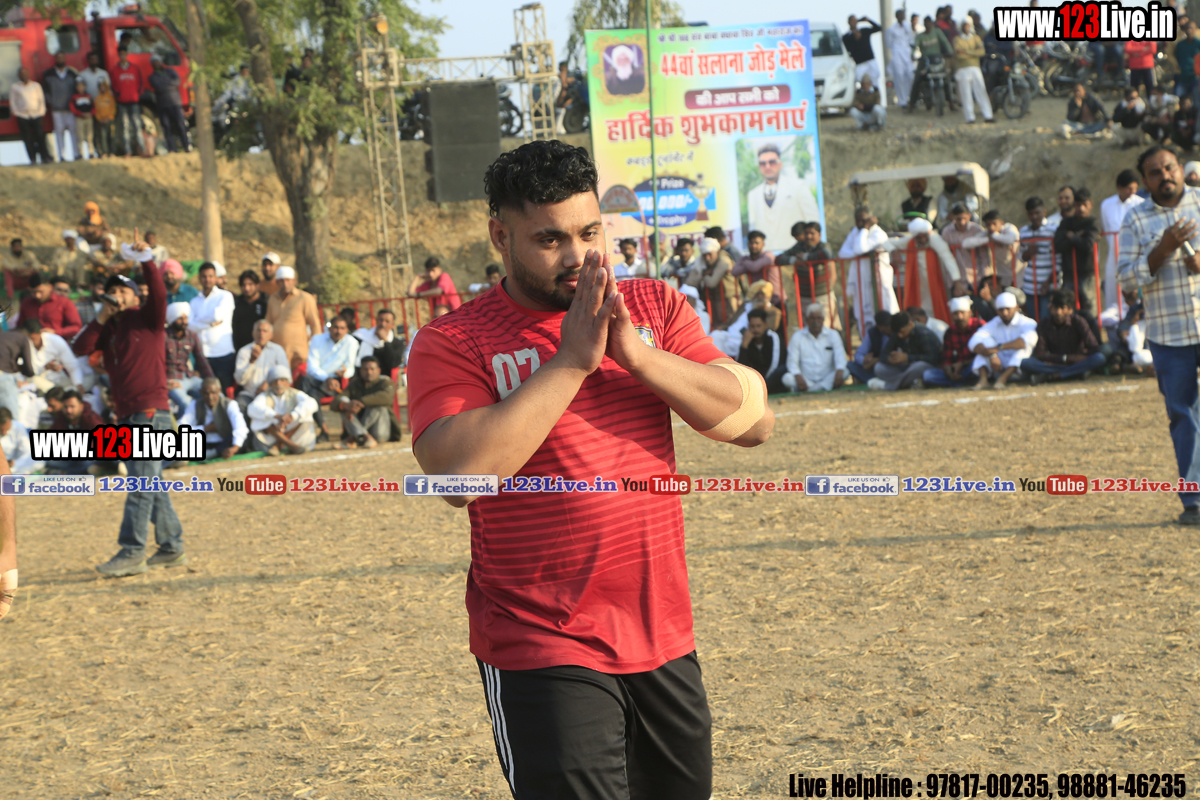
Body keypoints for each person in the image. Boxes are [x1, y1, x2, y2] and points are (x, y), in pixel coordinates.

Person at [407, 140, 772, 799]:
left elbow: (752, 422)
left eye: (588, 232)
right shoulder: (456, 340)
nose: (577, 256)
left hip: (663, 634)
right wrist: (572, 362)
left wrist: (639, 357)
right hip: (541, 643)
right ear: (501, 236)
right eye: (549, 239)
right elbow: (456, 476)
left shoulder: (653, 307)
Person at [72, 231, 186, 576]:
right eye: (113, 290)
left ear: (136, 296)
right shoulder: (109, 328)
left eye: (123, 290)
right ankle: (172, 547)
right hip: (128, 414)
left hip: (150, 412)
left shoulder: (147, 318)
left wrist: (146, 259)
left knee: (141, 483)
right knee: (149, 481)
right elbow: (80, 348)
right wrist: (101, 317)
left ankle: (133, 550)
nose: (116, 295)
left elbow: (160, 293)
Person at [1117, 144, 1200, 522]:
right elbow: (1125, 279)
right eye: (1155, 172)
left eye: (1169, 168)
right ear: (1145, 181)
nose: (1164, 176)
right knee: (1184, 416)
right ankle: (1194, 501)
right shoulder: (1135, 219)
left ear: (1181, 168)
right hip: (1169, 334)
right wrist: (1162, 250)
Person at [883, 217, 961, 324]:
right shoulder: (910, 241)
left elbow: (948, 259)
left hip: (937, 284)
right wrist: (894, 251)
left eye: (925, 236)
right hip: (919, 285)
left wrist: (957, 282)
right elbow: (885, 242)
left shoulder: (935, 239)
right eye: (919, 238)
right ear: (914, 236)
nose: (923, 240)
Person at [745, 143, 820, 251]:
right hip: (766, 254)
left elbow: (813, 221)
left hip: (797, 252)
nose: (767, 166)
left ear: (780, 164)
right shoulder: (753, 194)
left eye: (772, 162)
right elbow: (753, 229)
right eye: (763, 163)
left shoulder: (798, 186)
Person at [1021, 289, 1106, 384]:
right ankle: (1074, 373)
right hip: (1055, 364)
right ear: (1050, 308)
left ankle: (1054, 376)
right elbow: (1040, 354)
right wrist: (1064, 358)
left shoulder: (1078, 321)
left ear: (1069, 309)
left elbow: (1094, 347)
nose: (1058, 312)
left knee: (1099, 358)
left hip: (1076, 362)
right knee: (1025, 363)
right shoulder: (1044, 324)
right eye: (1055, 308)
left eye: (1062, 308)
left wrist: (1081, 357)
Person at [841, 205, 899, 339]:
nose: (860, 224)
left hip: (878, 282)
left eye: (864, 220)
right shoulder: (855, 232)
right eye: (858, 221)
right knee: (864, 316)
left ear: (871, 219)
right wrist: (857, 254)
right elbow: (843, 252)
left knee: (886, 312)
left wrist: (866, 228)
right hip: (861, 283)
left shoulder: (878, 233)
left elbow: (859, 248)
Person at [300, 315, 358, 441]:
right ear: (329, 328)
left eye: (342, 328)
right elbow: (311, 368)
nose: (339, 331)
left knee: (310, 394)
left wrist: (344, 373)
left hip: (337, 382)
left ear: (347, 330)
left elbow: (350, 368)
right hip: (319, 379)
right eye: (336, 327)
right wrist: (326, 378)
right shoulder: (317, 339)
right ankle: (320, 427)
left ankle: (320, 428)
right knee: (306, 382)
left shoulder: (351, 342)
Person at [968, 290, 1038, 389]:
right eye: (1001, 310)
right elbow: (975, 340)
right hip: (998, 366)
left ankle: (1002, 379)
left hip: (1020, 369)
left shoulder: (1027, 322)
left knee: (1023, 350)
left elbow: (1026, 341)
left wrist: (999, 348)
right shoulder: (995, 323)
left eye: (1008, 309)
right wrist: (991, 354)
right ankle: (983, 381)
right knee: (984, 345)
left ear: (1016, 307)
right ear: (997, 310)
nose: (1005, 313)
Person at [1100, 170, 1147, 311]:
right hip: (1113, 257)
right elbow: (1107, 230)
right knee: (1113, 293)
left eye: (1135, 188)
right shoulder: (1106, 205)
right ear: (1119, 187)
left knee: (1134, 294)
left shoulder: (1141, 204)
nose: (1133, 192)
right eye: (1129, 188)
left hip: (1135, 257)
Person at [247, 365, 318, 455]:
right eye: (275, 381)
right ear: (270, 383)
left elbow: (312, 403)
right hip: (272, 434)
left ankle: (278, 445)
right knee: (259, 418)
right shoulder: (265, 395)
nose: (278, 383)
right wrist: (277, 417)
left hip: (291, 429)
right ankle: (290, 445)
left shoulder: (295, 393)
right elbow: (252, 408)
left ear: (288, 382)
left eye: (282, 380)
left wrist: (292, 416)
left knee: (305, 415)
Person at [1054, 187, 1101, 319]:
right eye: (1078, 205)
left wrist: (1072, 237)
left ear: (1091, 205)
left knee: (1089, 308)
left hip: (1087, 273)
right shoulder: (1066, 222)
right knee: (1067, 306)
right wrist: (1078, 237)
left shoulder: (1093, 222)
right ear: (1074, 205)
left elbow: (1088, 245)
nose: (1081, 208)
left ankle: (1091, 331)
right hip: (1069, 272)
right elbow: (1058, 245)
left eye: (1084, 204)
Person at [188, 262, 236, 390]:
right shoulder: (194, 301)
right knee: (204, 392)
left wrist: (198, 320)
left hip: (223, 354)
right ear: (199, 278)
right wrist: (210, 324)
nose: (207, 279)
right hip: (202, 355)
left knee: (224, 392)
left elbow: (216, 316)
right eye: (204, 276)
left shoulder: (225, 296)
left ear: (216, 278)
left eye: (210, 276)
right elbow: (190, 327)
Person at [331, 356, 397, 448]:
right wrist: (346, 405)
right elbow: (335, 402)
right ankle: (364, 435)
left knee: (377, 403)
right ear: (360, 371)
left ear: (378, 370)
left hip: (380, 432)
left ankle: (354, 437)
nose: (369, 372)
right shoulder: (355, 384)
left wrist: (360, 403)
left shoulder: (385, 382)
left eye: (372, 369)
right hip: (362, 428)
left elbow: (386, 397)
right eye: (365, 369)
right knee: (344, 402)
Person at [869, 310, 943, 390]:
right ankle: (911, 382)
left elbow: (933, 358)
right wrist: (890, 359)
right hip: (908, 367)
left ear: (910, 324)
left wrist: (907, 358)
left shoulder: (923, 333)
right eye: (898, 333)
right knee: (879, 367)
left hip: (924, 367)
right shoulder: (897, 333)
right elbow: (883, 354)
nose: (900, 336)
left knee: (919, 366)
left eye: (902, 332)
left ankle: (888, 386)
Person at [265, 266, 322, 370]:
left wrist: (316, 349)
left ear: (294, 281)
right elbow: (268, 324)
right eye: (282, 281)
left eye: (288, 280)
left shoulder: (305, 298)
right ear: (277, 282)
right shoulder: (272, 299)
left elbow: (315, 325)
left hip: (298, 352)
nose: (285, 284)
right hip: (277, 351)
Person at [783, 303, 846, 392]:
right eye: (812, 318)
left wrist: (839, 371)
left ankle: (814, 389)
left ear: (823, 319)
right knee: (787, 378)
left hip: (827, 378)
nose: (816, 321)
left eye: (819, 318)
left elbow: (840, 357)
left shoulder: (833, 335)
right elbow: (792, 362)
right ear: (807, 319)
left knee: (845, 371)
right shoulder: (797, 336)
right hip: (806, 380)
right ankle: (822, 388)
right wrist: (798, 376)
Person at [179, 377, 247, 460]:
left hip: (224, 444)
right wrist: (205, 428)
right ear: (200, 392)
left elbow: (240, 428)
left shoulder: (229, 404)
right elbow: (181, 427)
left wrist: (235, 448)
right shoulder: (195, 404)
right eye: (206, 393)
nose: (210, 397)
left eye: (213, 392)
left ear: (219, 391)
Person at [164, 301, 213, 416]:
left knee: (215, 394)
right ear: (172, 319)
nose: (184, 322)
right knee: (187, 403)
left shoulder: (191, 336)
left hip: (189, 377)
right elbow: (156, 363)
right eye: (180, 319)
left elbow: (202, 360)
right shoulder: (163, 336)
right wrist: (164, 382)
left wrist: (212, 381)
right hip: (172, 379)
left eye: (186, 318)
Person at [923, 296, 984, 386]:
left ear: (969, 313)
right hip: (958, 369)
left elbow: (985, 353)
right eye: (956, 314)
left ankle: (960, 382)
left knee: (979, 364)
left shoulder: (979, 325)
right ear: (951, 315)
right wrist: (948, 370)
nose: (959, 317)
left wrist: (962, 364)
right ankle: (961, 381)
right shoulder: (950, 331)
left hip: (974, 365)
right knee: (928, 375)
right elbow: (946, 357)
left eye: (962, 313)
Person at [233, 319, 288, 415]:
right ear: (253, 333)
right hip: (250, 395)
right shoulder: (244, 351)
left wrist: (268, 383)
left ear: (271, 335)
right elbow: (240, 380)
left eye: (265, 331)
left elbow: (285, 374)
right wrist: (252, 361)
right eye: (258, 330)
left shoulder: (278, 350)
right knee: (238, 407)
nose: (261, 333)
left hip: (273, 394)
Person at [44, 390, 103, 475]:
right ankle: (84, 471)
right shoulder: (61, 418)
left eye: (72, 406)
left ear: (81, 406)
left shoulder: (91, 418)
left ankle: (67, 472)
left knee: (87, 461)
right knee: (48, 461)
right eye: (66, 407)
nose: (69, 410)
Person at [1018, 197, 1059, 319]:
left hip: (1049, 284)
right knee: (1032, 320)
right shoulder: (1023, 232)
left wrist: (1048, 282)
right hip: (1030, 285)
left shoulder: (1054, 230)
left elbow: (1059, 260)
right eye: (1031, 214)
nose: (1034, 216)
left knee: (1046, 319)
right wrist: (1028, 253)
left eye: (1037, 213)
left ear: (1044, 212)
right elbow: (1021, 257)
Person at [687, 238, 738, 328]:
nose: (707, 258)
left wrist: (704, 275)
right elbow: (689, 282)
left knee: (730, 325)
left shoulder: (724, 260)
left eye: (710, 254)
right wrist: (703, 273)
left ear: (717, 252)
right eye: (704, 255)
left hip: (729, 300)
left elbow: (711, 283)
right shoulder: (701, 262)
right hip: (713, 301)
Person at [963, 209, 1021, 288]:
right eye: (988, 224)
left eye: (994, 223)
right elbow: (966, 244)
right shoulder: (987, 234)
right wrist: (988, 239)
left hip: (1019, 273)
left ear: (1001, 223)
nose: (991, 227)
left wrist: (995, 236)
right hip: (1003, 276)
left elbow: (1011, 239)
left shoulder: (1009, 228)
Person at [21, 318, 81, 392]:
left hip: (60, 379)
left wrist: (78, 384)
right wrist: (45, 367)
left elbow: (72, 365)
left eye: (33, 338)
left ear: (40, 333)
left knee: (74, 389)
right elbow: (28, 373)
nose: (31, 341)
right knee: (33, 380)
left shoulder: (55, 340)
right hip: (40, 384)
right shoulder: (24, 345)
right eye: (29, 338)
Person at [953, 19, 994, 124]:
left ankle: (988, 116)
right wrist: (973, 53)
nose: (966, 27)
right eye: (964, 25)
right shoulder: (957, 39)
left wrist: (966, 52)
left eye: (967, 25)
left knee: (981, 91)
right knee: (966, 94)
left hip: (975, 67)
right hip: (962, 69)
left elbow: (981, 52)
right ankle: (970, 118)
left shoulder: (976, 38)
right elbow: (959, 55)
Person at [938, 203, 989, 286]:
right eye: (958, 219)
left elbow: (984, 256)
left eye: (964, 218)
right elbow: (945, 257)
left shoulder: (977, 230)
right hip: (957, 280)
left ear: (969, 216)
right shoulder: (946, 232)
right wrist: (953, 281)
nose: (962, 222)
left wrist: (985, 279)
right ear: (953, 217)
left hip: (977, 278)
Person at [18, 273, 82, 339]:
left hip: (57, 342)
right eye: (33, 292)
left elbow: (76, 327)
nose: (37, 295)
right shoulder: (26, 303)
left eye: (41, 292)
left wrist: (55, 332)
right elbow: (20, 327)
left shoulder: (64, 302)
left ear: (50, 287)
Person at [737, 307, 786, 392]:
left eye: (758, 326)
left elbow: (775, 364)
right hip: (756, 381)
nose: (756, 329)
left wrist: (763, 383)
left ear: (765, 325)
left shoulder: (773, 337)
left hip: (771, 378)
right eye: (752, 326)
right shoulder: (747, 340)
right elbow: (740, 367)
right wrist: (744, 346)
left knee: (782, 369)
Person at [147, 55, 189, 153]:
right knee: (167, 127)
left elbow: (177, 81)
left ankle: (187, 147)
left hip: (175, 103)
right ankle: (171, 149)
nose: (156, 63)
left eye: (157, 61)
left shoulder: (170, 71)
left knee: (181, 125)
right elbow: (158, 87)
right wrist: (170, 84)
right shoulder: (152, 77)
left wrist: (164, 84)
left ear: (160, 61)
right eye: (154, 62)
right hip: (162, 105)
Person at [42, 52, 78, 162]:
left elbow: (77, 88)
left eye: (62, 57)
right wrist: (52, 102)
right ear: (55, 59)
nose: (60, 59)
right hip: (57, 109)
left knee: (74, 132)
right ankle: (62, 156)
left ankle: (76, 154)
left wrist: (75, 103)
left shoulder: (72, 73)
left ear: (65, 58)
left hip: (70, 108)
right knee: (59, 132)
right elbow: (45, 91)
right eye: (58, 58)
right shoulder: (48, 74)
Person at [10, 67, 48, 165]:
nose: (24, 75)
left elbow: (41, 99)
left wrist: (41, 112)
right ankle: (33, 159)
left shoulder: (36, 85)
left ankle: (45, 157)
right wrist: (17, 113)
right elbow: (13, 101)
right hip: (23, 116)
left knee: (40, 136)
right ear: (19, 76)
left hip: (36, 114)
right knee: (27, 138)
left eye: (25, 73)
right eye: (22, 74)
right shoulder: (15, 87)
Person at [111, 46, 144, 156]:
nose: (122, 56)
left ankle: (142, 149)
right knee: (124, 126)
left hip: (134, 101)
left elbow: (141, 83)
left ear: (127, 54)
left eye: (124, 54)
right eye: (120, 54)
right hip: (121, 103)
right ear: (118, 55)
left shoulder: (135, 68)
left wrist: (137, 94)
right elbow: (113, 85)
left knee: (137, 124)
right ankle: (128, 151)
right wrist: (118, 94)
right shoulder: (115, 70)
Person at [732, 230, 782, 304]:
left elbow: (754, 267)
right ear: (748, 244)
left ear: (763, 244)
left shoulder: (768, 255)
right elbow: (734, 271)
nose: (753, 246)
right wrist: (749, 264)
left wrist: (745, 263)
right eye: (751, 243)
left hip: (776, 299)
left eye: (757, 243)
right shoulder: (746, 258)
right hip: (758, 300)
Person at [354, 308, 405, 375]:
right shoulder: (362, 337)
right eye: (381, 320)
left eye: (387, 321)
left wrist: (386, 341)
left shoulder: (397, 343)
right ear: (376, 321)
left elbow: (393, 363)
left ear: (392, 325)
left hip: (384, 378)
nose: (383, 324)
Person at [847, 310, 892, 385]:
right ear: (879, 327)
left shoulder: (896, 332)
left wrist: (877, 360)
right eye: (886, 326)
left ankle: (874, 380)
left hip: (889, 366)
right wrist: (865, 361)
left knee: (880, 367)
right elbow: (858, 354)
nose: (889, 327)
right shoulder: (873, 333)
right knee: (850, 365)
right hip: (874, 367)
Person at [843, 15, 884, 88]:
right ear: (848, 22)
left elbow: (878, 28)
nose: (853, 22)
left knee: (875, 78)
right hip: (859, 63)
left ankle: (875, 92)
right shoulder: (846, 37)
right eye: (852, 21)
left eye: (855, 20)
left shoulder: (864, 31)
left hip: (870, 60)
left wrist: (868, 20)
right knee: (858, 80)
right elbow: (847, 50)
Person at [232, 270, 268, 351]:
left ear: (257, 285)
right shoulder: (236, 303)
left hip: (262, 349)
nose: (247, 288)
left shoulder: (265, 302)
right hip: (241, 349)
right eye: (243, 285)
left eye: (250, 284)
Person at [886, 9, 915, 107]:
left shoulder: (907, 27)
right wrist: (896, 49)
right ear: (896, 16)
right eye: (899, 15)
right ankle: (902, 100)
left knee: (910, 75)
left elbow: (911, 40)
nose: (901, 17)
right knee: (899, 76)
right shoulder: (891, 29)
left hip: (907, 53)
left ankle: (911, 98)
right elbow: (888, 42)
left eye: (902, 15)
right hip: (897, 54)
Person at [0, 408, 36, 475]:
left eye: (6, 429)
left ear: (10, 421)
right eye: (1, 430)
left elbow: (26, 451)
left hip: (14, 465)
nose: (4, 432)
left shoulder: (18, 427)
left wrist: (15, 463)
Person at [69, 79, 94, 160]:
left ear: (84, 87)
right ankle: (81, 153)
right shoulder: (74, 97)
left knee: (89, 136)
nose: (80, 88)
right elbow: (72, 108)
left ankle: (91, 153)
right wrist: (80, 114)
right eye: (78, 86)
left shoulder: (88, 96)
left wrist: (91, 113)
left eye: (82, 86)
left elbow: (94, 106)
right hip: (79, 118)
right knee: (80, 137)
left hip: (89, 118)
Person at [92, 78, 116, 158]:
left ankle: (112, 153)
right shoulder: (97, 98)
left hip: (110, 120)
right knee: (102, 137)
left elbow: (113, 108)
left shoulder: (110, 97)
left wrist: (109, 117)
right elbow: (96, 110)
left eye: (103, 86)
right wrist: (99, 119)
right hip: (101, 121)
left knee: (112, 136)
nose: (102, 88)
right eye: (100, 86)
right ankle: (104, 153)